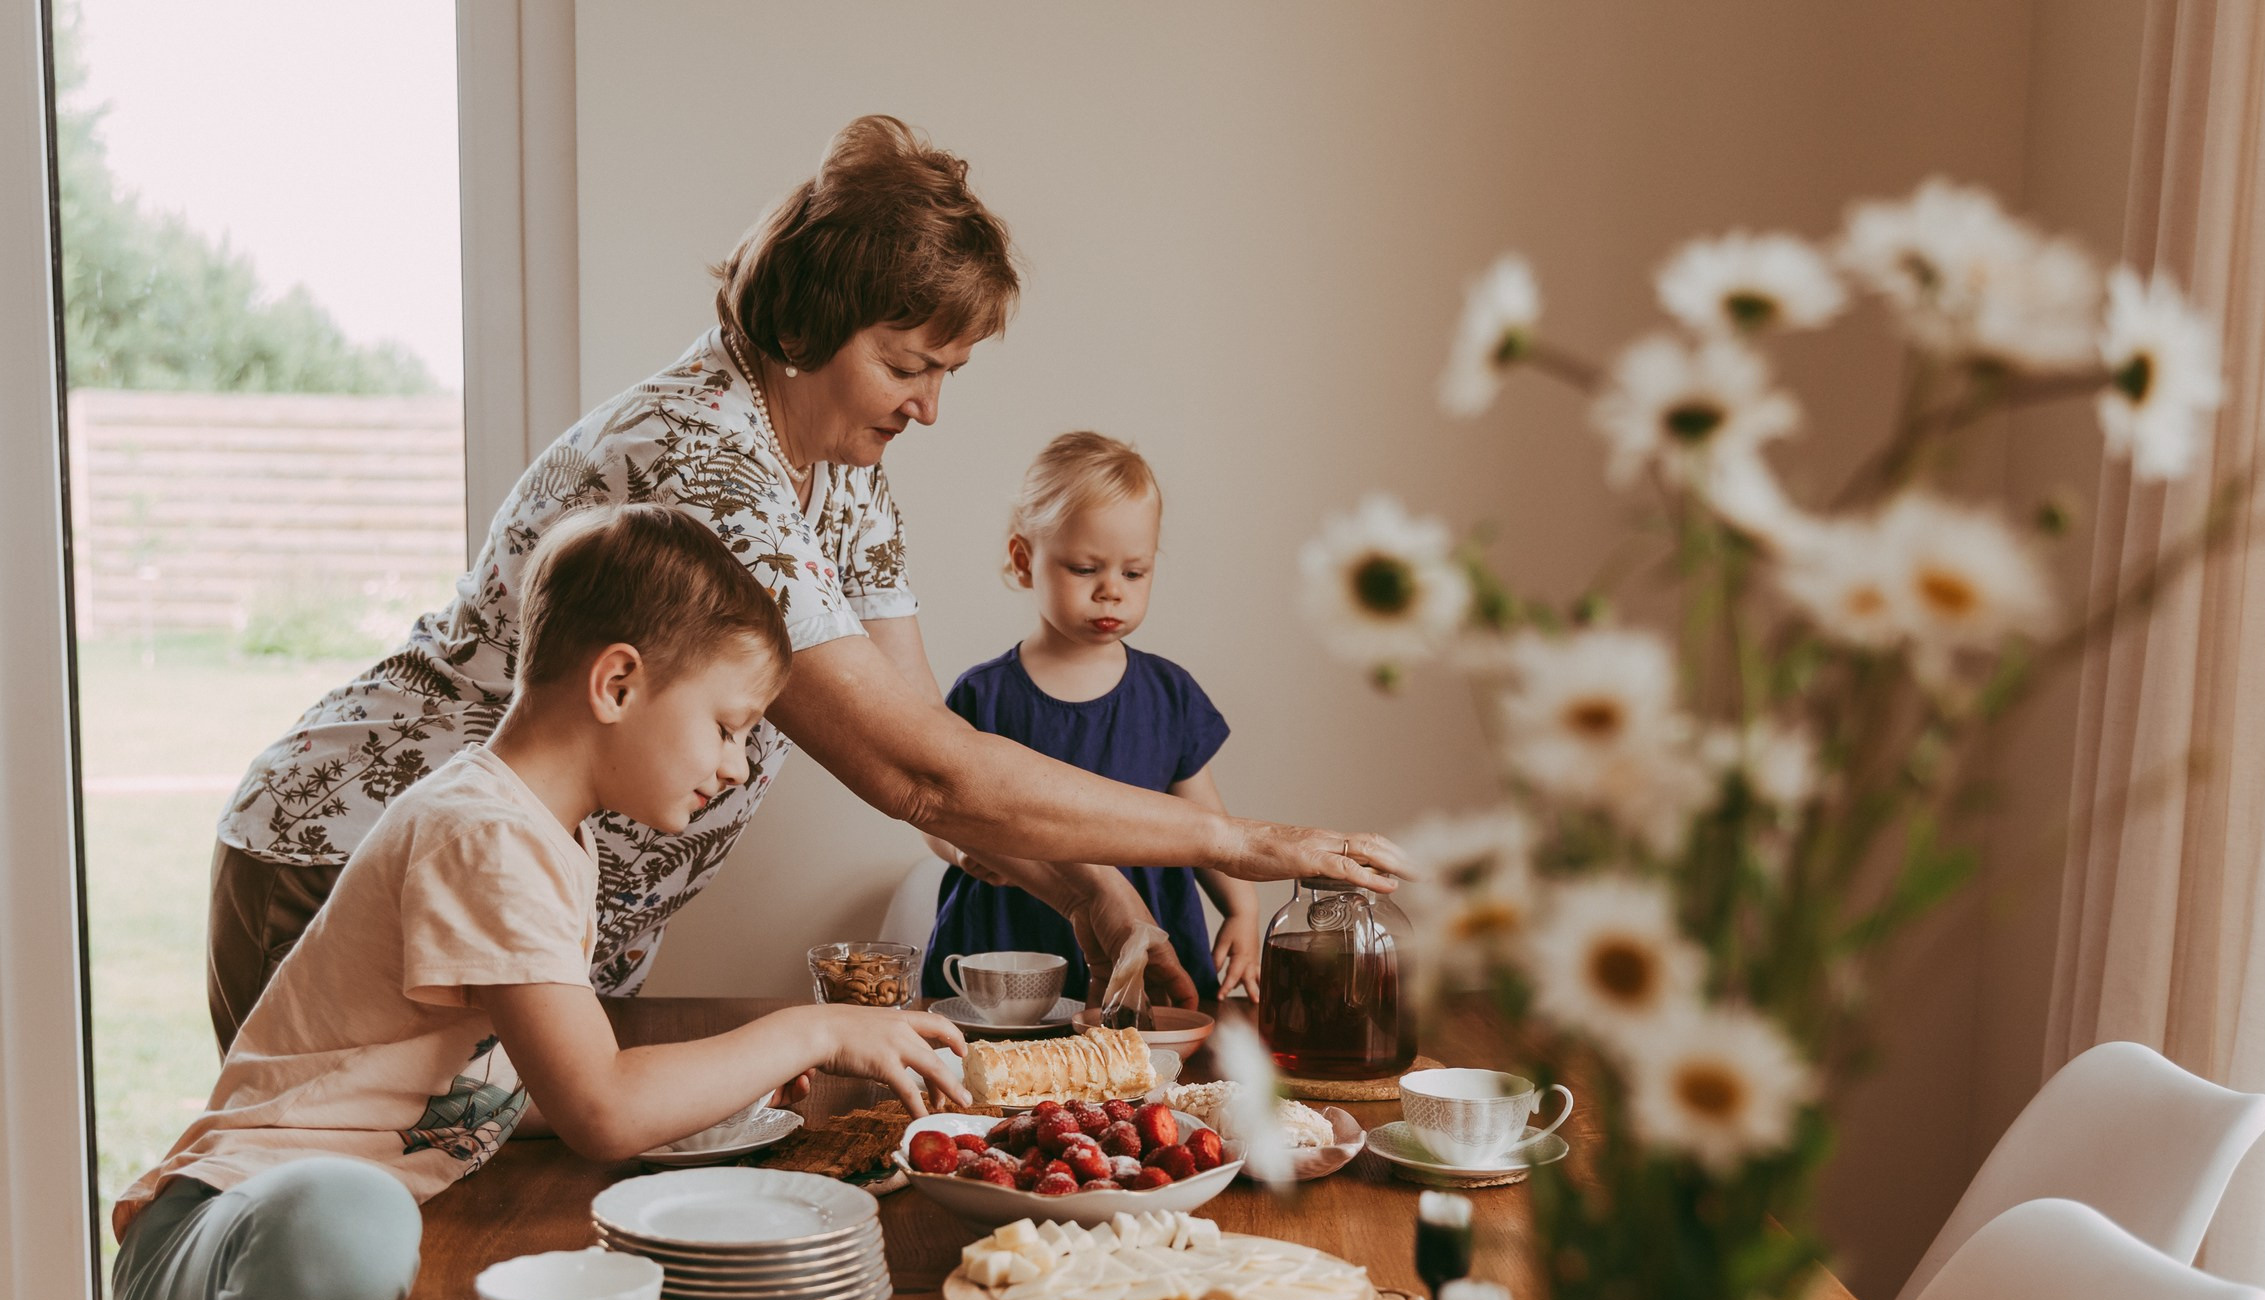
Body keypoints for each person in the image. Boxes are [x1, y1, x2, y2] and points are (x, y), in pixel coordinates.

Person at [207, 114, 1404, 1051]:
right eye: (906, 364)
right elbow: (927, 778)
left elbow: (925, 738)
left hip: (535, 919)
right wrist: (1230, 840)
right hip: (352, 859)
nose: (929, 405)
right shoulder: (705, 463)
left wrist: (1099, 901)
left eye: (947, 371)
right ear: (806, 323)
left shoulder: (837, 474)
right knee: (377, 1279)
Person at [114, 506, 972, 1300]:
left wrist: (770, 1083)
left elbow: (543, 1085)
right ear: (618, 681)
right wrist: (811, 1022)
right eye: (729, 727)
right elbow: (602, 1108)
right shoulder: (482, 833)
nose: (734, 765)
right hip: (224, 1244)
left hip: (339, 1228)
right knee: (350, 1216)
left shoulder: (547, 839)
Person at [924, 433, 1259, 1006]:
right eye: (1085, 569)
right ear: (1024, 561)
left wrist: (1243, 908)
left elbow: (1205, 823)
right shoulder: (985, 695)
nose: (1111, 592)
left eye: (1135, 573)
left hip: (1147, 925)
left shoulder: (1169, 693)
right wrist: (960, 850)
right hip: (1011, 933)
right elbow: (935, 808)